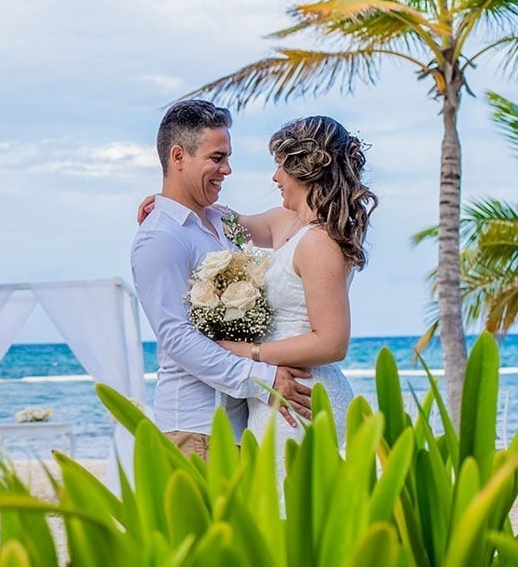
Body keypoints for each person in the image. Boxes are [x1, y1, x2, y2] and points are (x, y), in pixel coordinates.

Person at [138, 114, 378, 474]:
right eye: (218, 158)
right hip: (272, 396)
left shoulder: (319, 241)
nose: (275, 177)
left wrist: (250, 354)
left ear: (303, 170)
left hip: (298, 393)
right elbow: (224, 220)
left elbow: (332, 342)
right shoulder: (285, 222)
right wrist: (166, 200)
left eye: (280, 166)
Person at [131, 99, 313, 463]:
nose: (227, 169)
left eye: (227, 157)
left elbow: (298, 222)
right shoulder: (160, 237)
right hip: (196, 429)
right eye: (217, 158)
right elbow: (177, 338)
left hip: (242, 425)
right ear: (178, 157)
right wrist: (264, 379)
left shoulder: (220, 222)